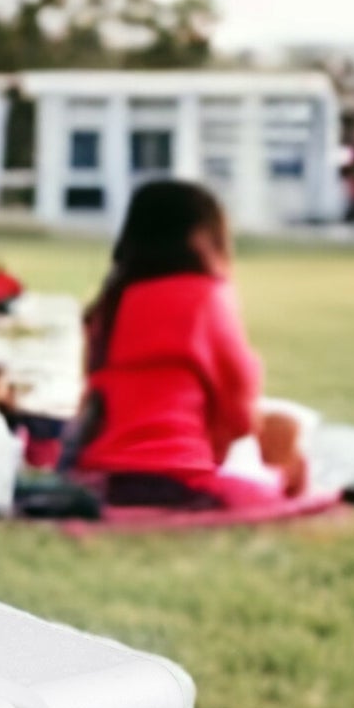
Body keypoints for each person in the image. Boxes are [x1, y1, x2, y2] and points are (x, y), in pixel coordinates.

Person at [72, 179, 305, 508]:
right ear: (203, 239)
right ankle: (282, 480)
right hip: (179, 476)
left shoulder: (109, 305)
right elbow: (239, 411)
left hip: (98, 478)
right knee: (285, 443)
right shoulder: (207, 297)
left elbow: (95, 395)